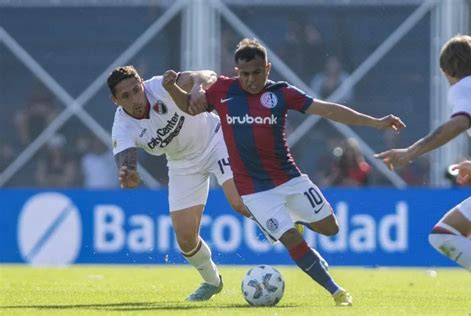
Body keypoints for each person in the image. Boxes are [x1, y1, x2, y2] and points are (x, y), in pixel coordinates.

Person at [162, 38, 406, 306]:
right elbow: (188, 106)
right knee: (289, 238)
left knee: (330, 228)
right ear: (236, 72)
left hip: (289, 178)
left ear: (267, 68)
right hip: (254, 190)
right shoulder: (223, 90)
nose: (251, 79)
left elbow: (327, 109)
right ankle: (337, 292)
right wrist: (170, 88)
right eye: (244, 74)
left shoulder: (281, 93)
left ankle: (298, 225)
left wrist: (375, 122)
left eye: (256, 72)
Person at [106, 65, 250, 301]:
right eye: (125, 96)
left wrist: (196, 87)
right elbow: (127, 169)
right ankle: (212, 282)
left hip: (215, 140)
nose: (135, 99)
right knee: (185, 238)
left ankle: (284, 223)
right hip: (182, 164)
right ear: (115, 100)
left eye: (136, 89)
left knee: (239, 203)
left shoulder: (160, 86)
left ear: (142, 83)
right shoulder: (122, 128)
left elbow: (208, 75)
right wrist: (129, 177)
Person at [375, 35, 471, 273]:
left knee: (443, 235)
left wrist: (411, 152)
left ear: (449, 71)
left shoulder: (464, 87)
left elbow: (459, 122)